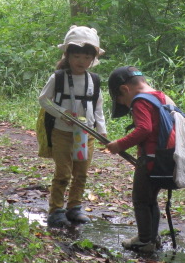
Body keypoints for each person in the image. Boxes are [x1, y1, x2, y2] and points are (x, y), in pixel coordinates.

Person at [38, 26, 107, 228]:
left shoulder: (93, 80)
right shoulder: (58, 78)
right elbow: (44, 100)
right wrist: (62, 113)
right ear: (67, 55)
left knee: (81, 173)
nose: (81, 62)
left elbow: (98, 107)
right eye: (77, 56)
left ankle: (74, 207)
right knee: (63, 173)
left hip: (86, 134)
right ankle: (56, 210)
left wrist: (101, 130)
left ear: (93, 59)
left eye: (86, 57)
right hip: (62, 132)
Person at [105, 65, 177, 253]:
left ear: (124, 89)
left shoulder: (139, 101)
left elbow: (144, 129)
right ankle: (152, 237)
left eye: (121, 101)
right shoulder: (160, 96)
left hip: (150, 159)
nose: (125, 104)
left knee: (141, 200)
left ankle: (145, 241)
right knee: (151, 200)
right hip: (165, 159)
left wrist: (119, 144)